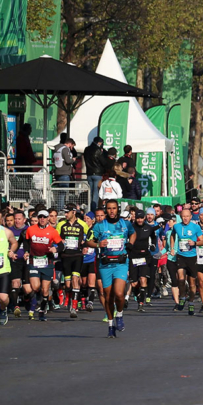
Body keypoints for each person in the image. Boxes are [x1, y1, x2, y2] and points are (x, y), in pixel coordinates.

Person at [88, 200, 135, 338]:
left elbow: (133, 233)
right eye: (109, 209)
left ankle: (119, 315)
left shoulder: (124, 224)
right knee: (108, 296)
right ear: (106, 210)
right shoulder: (99, 226)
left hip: (120, 263)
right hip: (105, 264)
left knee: (119, 293)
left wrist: (131, 243)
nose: (112, 211)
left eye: (114, 208)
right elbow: (87, 241)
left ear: (118, 209)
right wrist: (98, 244)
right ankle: (110, 324)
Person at [23, 209, 63, 321]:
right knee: (35, 287)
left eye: (44, 217)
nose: (42, 219)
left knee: (45, 290)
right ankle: (28, 299)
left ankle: (41, 311)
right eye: (40, 217)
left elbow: (61, 245)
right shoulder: (31, 229)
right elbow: (26, 242)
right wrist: (26, 252)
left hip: (47, 262)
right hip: (34, 261)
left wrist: (55, 248)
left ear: (47, 219)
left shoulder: (53, 231)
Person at [56, 205, 90, 318]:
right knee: (67, 284)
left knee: (76, 279)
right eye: (64, 213)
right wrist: (61, 241)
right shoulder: (61, 224)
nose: (65, 215)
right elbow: (55, 237)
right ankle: (70, 298)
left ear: (73, 212)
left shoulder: (82, 224)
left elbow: (91, 234)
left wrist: (85, 244)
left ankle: (74, 307)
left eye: (67, 212)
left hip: (77, 255)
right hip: (65, 256)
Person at [0, 223, 17, 325]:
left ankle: (3, 309)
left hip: (3, 270)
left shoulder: (6, 232)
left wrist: (11, 251)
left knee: (3, 298)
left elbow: (14, 243)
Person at [83, 137, 106, 212]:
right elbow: (103, 162)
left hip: (89, 172)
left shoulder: (86, 149)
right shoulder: (98, 150)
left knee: (90, 192)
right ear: (99, 142)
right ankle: (94, 209)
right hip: (97, 173)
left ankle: (89, 208)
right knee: (96, 192)